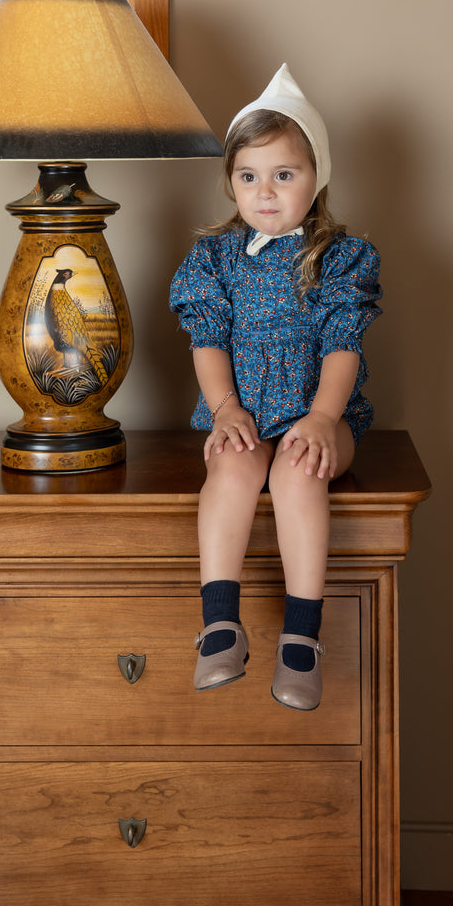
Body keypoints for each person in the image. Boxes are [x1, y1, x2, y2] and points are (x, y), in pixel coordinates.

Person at [169, 64, 381, 711]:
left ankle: (302, 635)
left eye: (283, 175)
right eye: (248, 176)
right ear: (230, 181)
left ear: (317, 178)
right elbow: (207, 342)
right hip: (243, 414)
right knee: (232, 468)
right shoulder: (215, 258)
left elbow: (343, 349)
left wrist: (320, 418)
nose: (264, 192)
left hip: (320, 414)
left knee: (297, 471)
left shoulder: (339, 257)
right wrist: (226, 407)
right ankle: (220, 625)